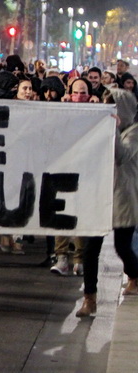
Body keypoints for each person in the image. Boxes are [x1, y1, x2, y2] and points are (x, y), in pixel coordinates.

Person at [76, 89, 138, 316]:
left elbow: (122, 157)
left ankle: (135, 276)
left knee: (123, 246)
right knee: (90, 249)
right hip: (99, 195)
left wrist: (111, 128)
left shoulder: (134, 132)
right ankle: (89, 299)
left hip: (123, 197)